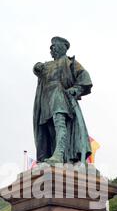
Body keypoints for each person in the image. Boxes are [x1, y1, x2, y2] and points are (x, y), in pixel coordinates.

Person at [33, 36, 92, 164]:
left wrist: (76, 89)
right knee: (49, 129)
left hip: (60, 95)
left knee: (59, 123)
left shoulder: (70, 62)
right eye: (51, 46)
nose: (51, 49)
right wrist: (36, 67)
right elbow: (38, 71)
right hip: (45, 99)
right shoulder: (47, 65)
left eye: (54, 45)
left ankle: (59, 154)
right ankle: (56, 154)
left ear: (62, 47)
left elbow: (84, 77)